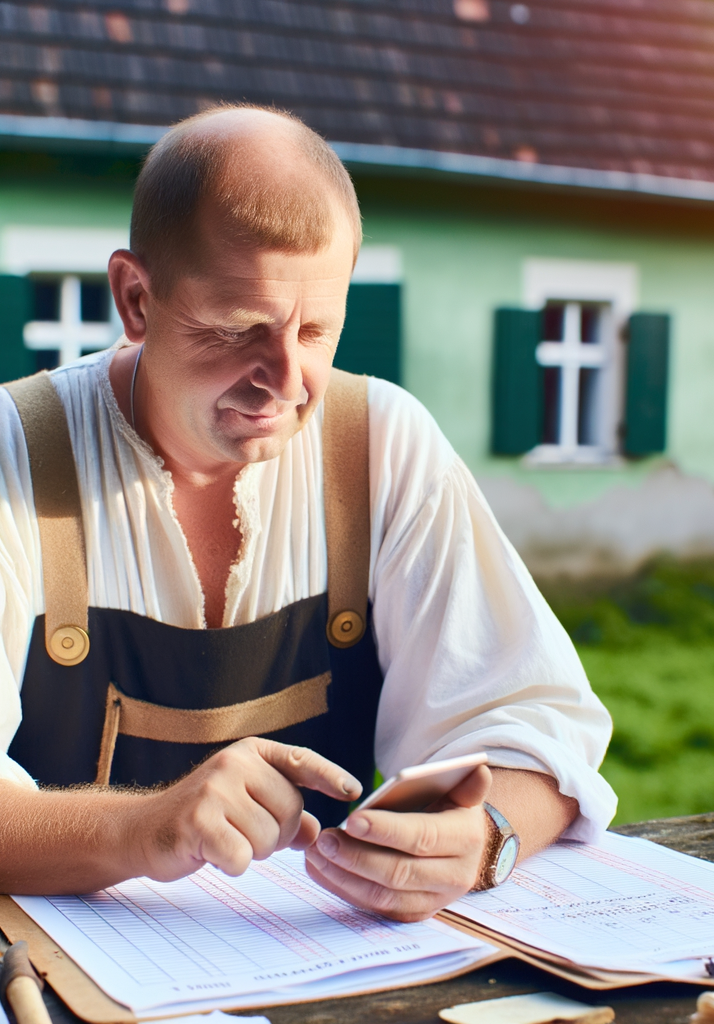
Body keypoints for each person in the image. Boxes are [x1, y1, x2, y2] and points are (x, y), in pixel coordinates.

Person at [0, 106, 615, 920]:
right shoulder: (17, 454)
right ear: (135, 298)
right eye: (237, 330)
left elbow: (539, 722)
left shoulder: (381, 445)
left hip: (333, 975)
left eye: (317, 329)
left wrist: (487, 836)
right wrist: (146, 827)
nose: (286, 378)